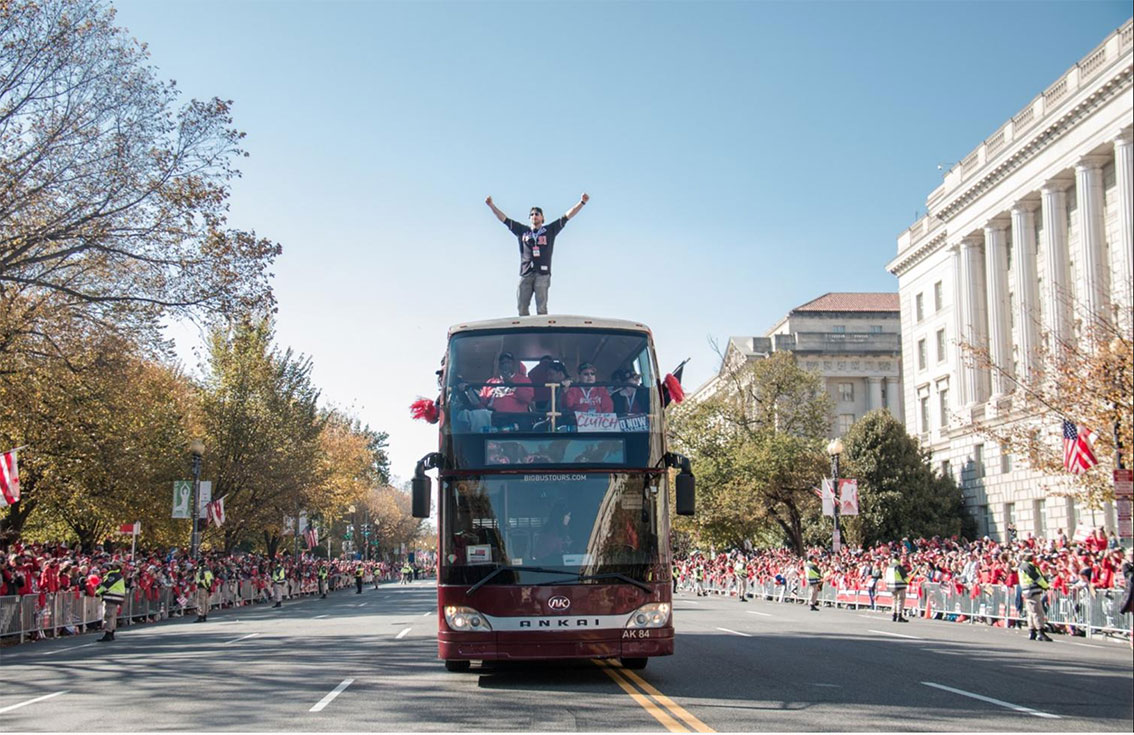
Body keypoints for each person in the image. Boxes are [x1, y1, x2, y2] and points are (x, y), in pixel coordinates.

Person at [485, 194, 590, 316]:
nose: (534, 216)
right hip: (526, 273)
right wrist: (491, 205)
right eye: (532, 214)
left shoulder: (549, 230)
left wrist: (582, 202)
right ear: (529, 218)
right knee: (521, 307)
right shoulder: (523, 231)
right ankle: (525, 332)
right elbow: (504, 219)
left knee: (541, 308)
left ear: (542, 218)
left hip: (542, 273)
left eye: (537, 214)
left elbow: (567, 216)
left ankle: (543, 332)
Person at [479, 352, 534, 426]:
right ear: (499, 366)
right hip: (494, 418)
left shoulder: (523, 380)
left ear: (513, 364)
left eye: (508, 362)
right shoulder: (490, 382)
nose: (505, 365)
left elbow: (527, 398)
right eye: (502, 363)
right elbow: (482, 402)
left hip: (516, 418)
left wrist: (512, 385)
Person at [1019, 552, 1053, 641]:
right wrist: (1046, 586)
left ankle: (1032, 631)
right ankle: (1040, 631)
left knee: (1031, 612)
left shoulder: (1022, 566)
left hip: (1027, 590)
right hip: (1032, 590)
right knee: (1037, 611)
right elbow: (1037, 578)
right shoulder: (1028, 566)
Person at [94, 558, 127, 642]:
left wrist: (98, 592)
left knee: (108, 615)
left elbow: (106, 586)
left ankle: (108, 633)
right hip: (116, 598)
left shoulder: (113, 575)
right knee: (112, 616)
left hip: (112, 598)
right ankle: (111, 632)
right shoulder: (118, 575)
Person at [890, 555, 910, 622]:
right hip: (900, 585)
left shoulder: (890, 566)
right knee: (900, 600)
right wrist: (908, 581)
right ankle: (899, 615)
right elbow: (904, 575)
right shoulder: (898, 566)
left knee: (894, 600)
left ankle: (894, 615)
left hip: (892, 586)